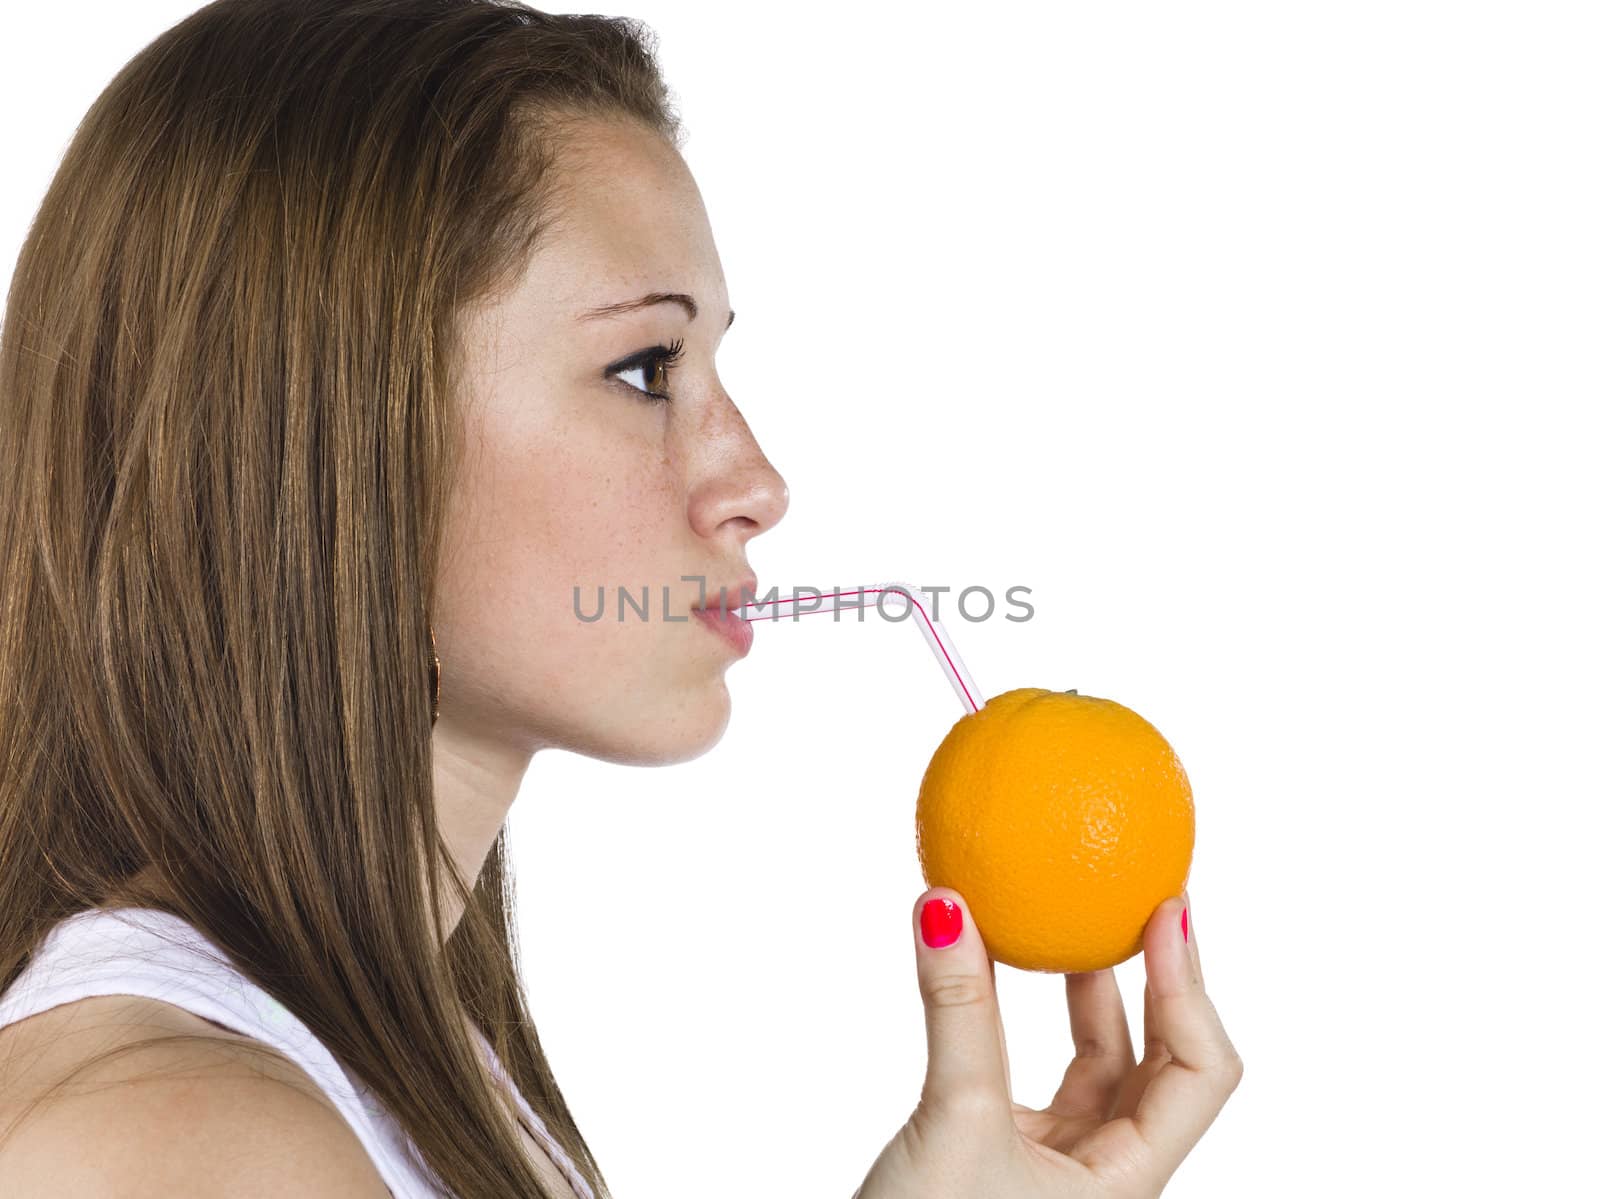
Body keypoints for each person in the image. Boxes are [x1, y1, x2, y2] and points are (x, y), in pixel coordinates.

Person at [0, 2, 1241, 1195]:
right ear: (318, 430)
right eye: (645, 367)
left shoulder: (379, 1068)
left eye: (710, 361)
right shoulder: (184, 1141)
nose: (755, 483)